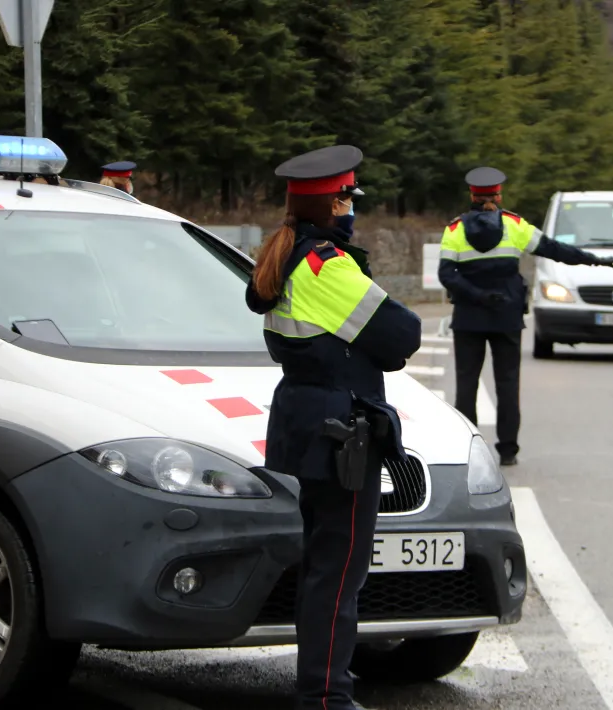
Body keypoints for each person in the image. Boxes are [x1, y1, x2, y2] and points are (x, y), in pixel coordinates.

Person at [244, 145, 421, 710]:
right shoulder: (326, 265)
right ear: (330, 204)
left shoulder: (284, 256)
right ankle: (326, 697)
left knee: (324, 568)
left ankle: (320, 688)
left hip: (304, 422)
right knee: (339, 572)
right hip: (341, 434)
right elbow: (402, 336)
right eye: (346, 199)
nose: (352, 209)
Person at [438, 166, 613, 466]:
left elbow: (446, 274)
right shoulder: (515, 226)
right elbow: (554, 249)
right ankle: (508, 451)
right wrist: (595, 260)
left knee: (466, 385)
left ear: (472, 195)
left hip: (469, 318)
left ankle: (468, 450)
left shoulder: (454, 230)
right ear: (498, 194)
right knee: (508, 384)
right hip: (507, 317)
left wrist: (477, 295)